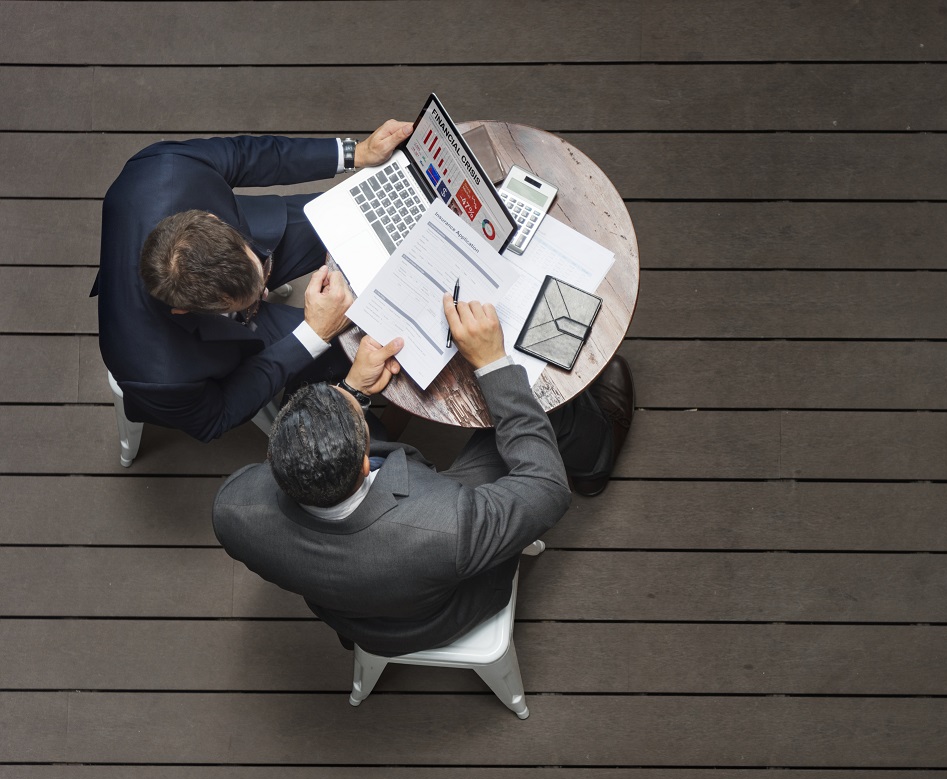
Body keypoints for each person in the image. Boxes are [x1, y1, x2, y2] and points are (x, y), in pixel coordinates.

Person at [212, 294, 634, 656]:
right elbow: (546, 489)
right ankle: (596, 460)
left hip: (356, 617)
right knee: (542, 413)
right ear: (364, 463)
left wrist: (354, 389)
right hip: (443, 610)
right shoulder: (448, 525)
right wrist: (492, 365)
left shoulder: (233, 509)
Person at [93, 121, 414, 442]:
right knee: (350, 343)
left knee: (358, 213)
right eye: (252, 296)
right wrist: (313, 335)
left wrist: (355, 153)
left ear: (211, 218)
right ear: (182, 310)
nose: (265, 290)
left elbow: (247, 156)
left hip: (260, 231)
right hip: (226, 343)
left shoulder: (167, 167)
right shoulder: (159, 375)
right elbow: (217, 416)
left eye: (260, 272)